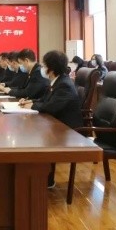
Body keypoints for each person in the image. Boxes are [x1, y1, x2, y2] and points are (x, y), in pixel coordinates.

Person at [19, 50, 83, 189]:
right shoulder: (57, 81)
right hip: (56, 124)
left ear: (51, 69)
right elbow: (45, 99)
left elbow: (51, 107)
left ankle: (43, 179)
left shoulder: (64, 84)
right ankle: (38, 177)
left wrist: (33, 106)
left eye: (44, 65)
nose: (42, 68)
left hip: (68, 130)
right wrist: (30, 101)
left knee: (34, 135)